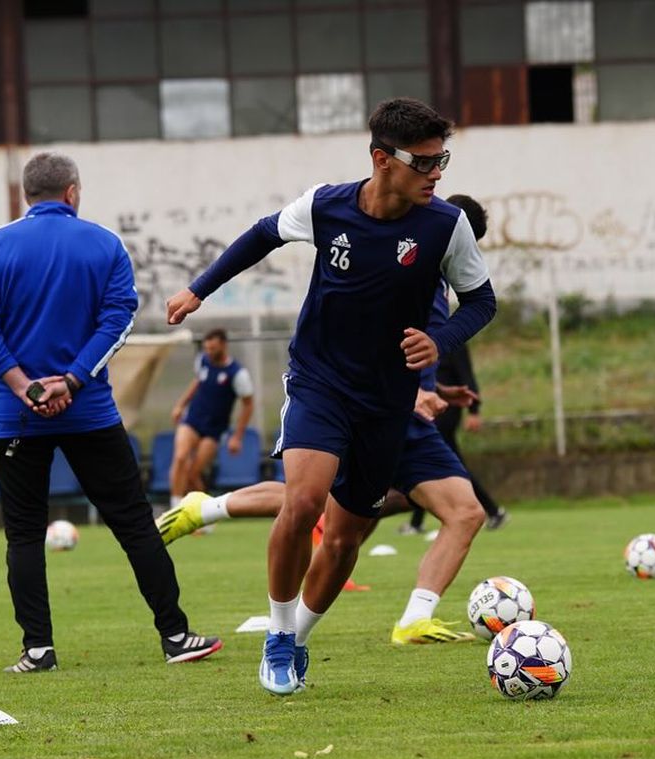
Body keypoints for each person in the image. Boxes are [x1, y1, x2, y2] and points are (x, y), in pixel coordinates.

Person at [164, 98, 496, 695]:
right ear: (382, 160)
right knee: (303, 502)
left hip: (386, 403)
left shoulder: (446, 226)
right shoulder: (325, 205)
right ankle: (277, 634)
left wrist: (439, 341)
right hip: (319, 381)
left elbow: (481, 301)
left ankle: (298, 638)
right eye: (424, 162)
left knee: (345, 539)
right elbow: (263, 235)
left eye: (441, 160)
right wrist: (198, 290)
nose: (436, 173)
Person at [0, 152, 222, 673]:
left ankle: (38, 650)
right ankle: (175, 636)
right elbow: (118, 319)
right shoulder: (105, 244)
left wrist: (25, 385)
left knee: (24, 535)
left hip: (17, 414)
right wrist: (74, 380)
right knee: (134, 525)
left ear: (26, 195)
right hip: (90, 412)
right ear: (72, 192)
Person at [403, 194, 507, 534]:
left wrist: (439, 391)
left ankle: (480, 512)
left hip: (431, 401)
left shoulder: (449, 309)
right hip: (400, 398)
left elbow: (463, 365)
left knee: (439, 479)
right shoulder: (418, 273)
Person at [168, 328, 254, 507]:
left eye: (213, 348)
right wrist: (180, 405)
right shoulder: (203, 361)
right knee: (180, 457)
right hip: (192, 420)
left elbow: (248, 405)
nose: (209, 352)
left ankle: (207, 513)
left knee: (193, 473)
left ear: (223, 345)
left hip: (214, 430)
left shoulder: (237, 373)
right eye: (207, 348)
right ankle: (174, 506)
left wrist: (237, 437)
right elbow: (197, 382)